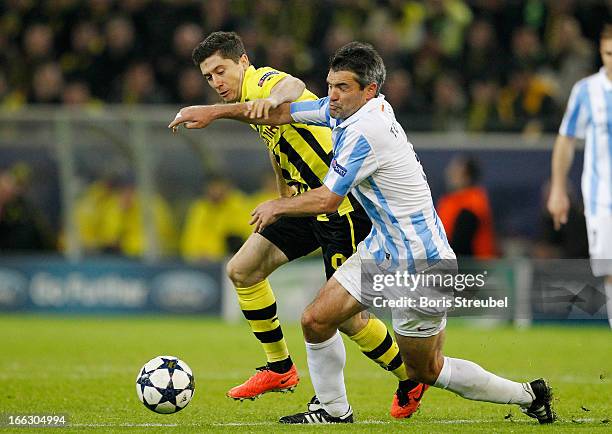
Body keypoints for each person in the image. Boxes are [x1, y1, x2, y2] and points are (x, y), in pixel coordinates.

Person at [206, 41, 554, 424]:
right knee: (316, 320)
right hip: (383, 251)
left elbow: (325, 200)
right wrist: (210, 113)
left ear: (368, 90)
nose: (332, 95)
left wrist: (277, 205)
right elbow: (284, 114)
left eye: (342, 88)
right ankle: (332, 411)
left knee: (426, 370)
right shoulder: (352, 109)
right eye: (330, 85)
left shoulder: (365, 132)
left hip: (421, 266)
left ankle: (528, 395)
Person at [169, 31, 423, 418]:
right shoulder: (245, 102)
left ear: (242, 62)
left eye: (221, 70)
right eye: (208, 77)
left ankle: (411, 376)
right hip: (304, 203)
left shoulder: (262, 81)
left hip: (340, 205)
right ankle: (280, 368)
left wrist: (272, 99)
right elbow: (278, 147)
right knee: (242, 270)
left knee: (348, 319)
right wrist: (282, 197)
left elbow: (293, 84)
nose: (216, 82)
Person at [548, 24, 612, 328]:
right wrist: (558, 190)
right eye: (607, 54)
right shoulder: (587, 91)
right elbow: (566, 139)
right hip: (603, 201)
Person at [437, 155, 497, 258]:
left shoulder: (473, 204)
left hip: (472, 268)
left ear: (467, 177)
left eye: (455, 171)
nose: (450, 174)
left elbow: (461, 244)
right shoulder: (450, 201)